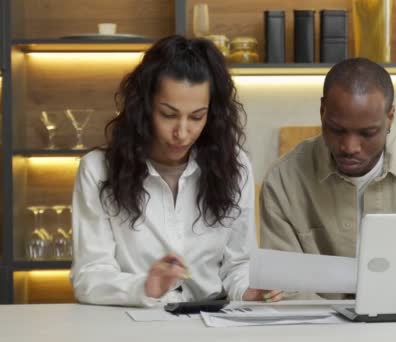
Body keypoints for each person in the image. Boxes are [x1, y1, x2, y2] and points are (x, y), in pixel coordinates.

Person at [70, 35, 281, 307]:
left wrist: (248, 290)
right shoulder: (98, 170)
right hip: (131, 323)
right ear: (144, 107)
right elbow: (90, 275)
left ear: (212, 114)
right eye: (168, 114)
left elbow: (238, 264)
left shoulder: (235, 167)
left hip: (212, 322)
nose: (182, 132)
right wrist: (145, 286)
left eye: (196, 117)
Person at [260, 57, 396, 260]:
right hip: (315, 301)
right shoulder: (284, 181)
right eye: (337, 130)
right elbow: (285, 287)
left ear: (390, 118)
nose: (349, 147)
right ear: (322, 111)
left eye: (367, 133)